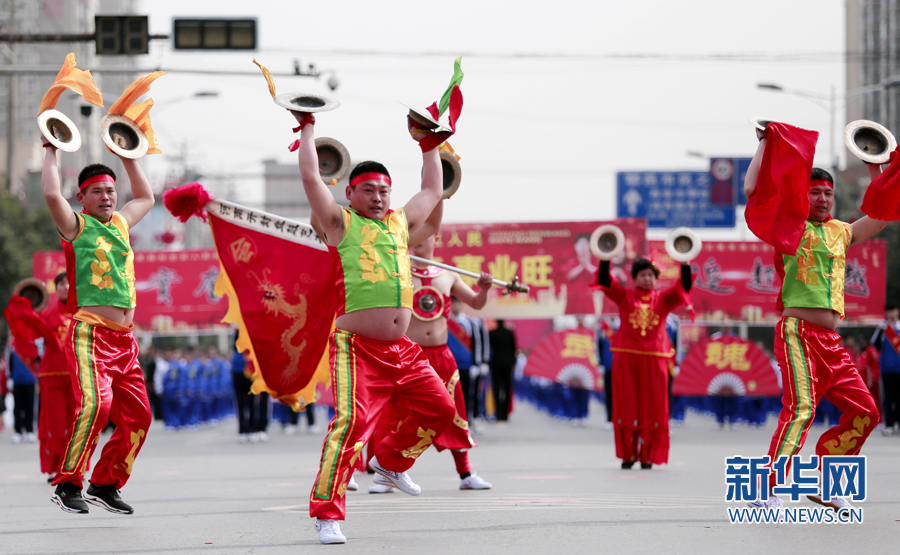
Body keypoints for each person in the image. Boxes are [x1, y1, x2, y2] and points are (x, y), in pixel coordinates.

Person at [291, 108, 457, 544]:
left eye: (384, 190)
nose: (379, 197)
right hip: (355, 348)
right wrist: (307, 128)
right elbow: (311, 179)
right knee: (349, 423)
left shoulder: (400, 224)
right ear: (351, 192)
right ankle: (327, 512)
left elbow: (432, 188)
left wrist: (429, 145)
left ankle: (391, 463)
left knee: (441, 410)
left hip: (401, 349)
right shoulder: (339, 223)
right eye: (369, 190)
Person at [742, 121, 883, 511]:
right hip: (797, 333)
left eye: (827, 194)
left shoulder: (841, 232)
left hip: (831, 343)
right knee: (802, 409)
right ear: (803, 195)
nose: (822, 199)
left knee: (867, 413)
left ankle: (826, 480)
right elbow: (752, 191)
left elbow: (882, 214)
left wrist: (875, 166)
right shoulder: (788, 228)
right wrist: (764, 147)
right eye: (815, 193)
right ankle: (765, 489)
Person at [42, 137, 155, 515]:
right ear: (82, 197)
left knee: (140, 416)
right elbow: (52, 195)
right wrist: (51, 151)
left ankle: (106, 482)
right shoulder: (75, 226)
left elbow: (145, 198)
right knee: (97, 405)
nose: (107, 197)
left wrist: (126, 157)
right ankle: (68, 482)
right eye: (97, 192)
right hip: (89, 335)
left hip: (124, 340)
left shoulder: (121, 223)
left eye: (110, 190)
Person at [367, 231, 494, 494]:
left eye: (427, 234)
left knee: (455, 411)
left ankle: (466, 473)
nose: (421, 238)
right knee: (397, 415)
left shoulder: (449, 274)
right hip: (408, 354)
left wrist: (485, 288)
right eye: (415, 233)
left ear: (437, 237)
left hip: (441, 355)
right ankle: (388, 473)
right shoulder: (398, 272)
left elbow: (476, 303)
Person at [595, 256, 693, 469]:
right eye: (643, 275)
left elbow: (684, 286)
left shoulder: (664, 299)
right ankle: (628, 455)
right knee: (627, 405)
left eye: (651, 275)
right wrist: (604, 256)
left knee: (653, 407)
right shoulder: (624, 296)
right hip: (626, 358)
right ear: (635, 278)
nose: (647, 278)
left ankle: (648, 455)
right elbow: (605, 280)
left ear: (656, 279)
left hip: (655, 359)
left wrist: (685, 262)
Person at [871, 303, 900, 434]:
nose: (891, 314)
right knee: (887, 398)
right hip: (886, 369)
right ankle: (889, 425)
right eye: (888, 311)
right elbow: (874, 345)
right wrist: (882, 329)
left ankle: (898, 424)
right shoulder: (883, 328)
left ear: (897, 311)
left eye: (892, 311)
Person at [489, 319, 517, 423]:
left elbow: (489, 349)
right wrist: (513, 363)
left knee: (496, 389)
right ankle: (505, 414)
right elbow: (514, 349)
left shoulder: (492, 333)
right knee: (507, 388)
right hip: (508, 364)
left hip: (496, 364)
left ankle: (498, 414)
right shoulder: (509, 333)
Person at [8, 346, 37, 444]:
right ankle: (18, 431)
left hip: (30, 380)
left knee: (29, 407)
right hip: (17, 381)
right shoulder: (13, 346)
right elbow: (9, 363)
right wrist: (10, 377)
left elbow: (37, 361)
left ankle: (29, 431)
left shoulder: (31, 345)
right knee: (17, 407)